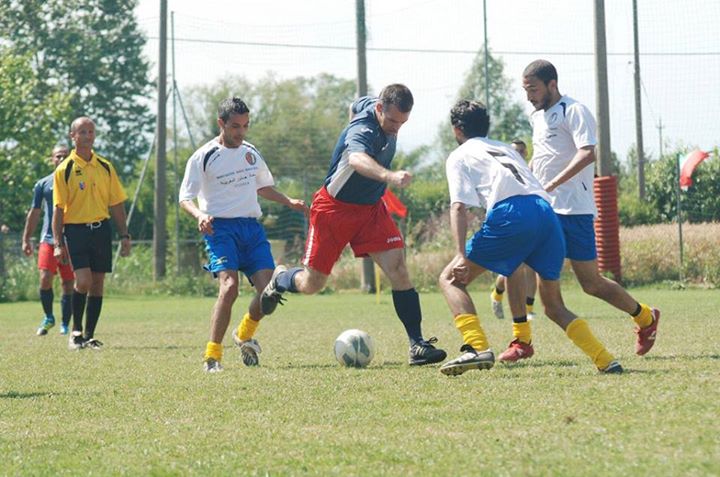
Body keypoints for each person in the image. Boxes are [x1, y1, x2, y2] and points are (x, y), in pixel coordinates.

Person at [260, 84, 447, 366]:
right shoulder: (363, 131)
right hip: (333, 210)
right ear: (380, 109)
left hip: (371, 210)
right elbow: (357, 159)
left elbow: (355, 104)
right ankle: (281, 279)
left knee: (399, 270)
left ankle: (417, 345)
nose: (396, 128)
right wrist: (389, 176)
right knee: (312, 284)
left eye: (403, 122)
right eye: (393, 121)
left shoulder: (371, 103)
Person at [437, 99, 623, 376]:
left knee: (450, 279)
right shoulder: (504, 148)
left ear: (457, 129)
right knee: (554, 306)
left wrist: (460, 254)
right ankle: (605, 359)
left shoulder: (460, 154)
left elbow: (458, 207)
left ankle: (476, 347)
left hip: (513, 213)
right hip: (547, 213)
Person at [522, 59, 659, 357]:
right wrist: (528, 180)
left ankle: (645, 317)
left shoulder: (575, 111)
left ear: (552, 85)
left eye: (532, 89)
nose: (529, 96)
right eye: (525, 90)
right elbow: (542, 156)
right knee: (533, 268)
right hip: (547, 209)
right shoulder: (537, 117)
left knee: (592, 284)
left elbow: (587, 154)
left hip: (575, 211)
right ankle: (521, 340)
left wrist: (552, 184)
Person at [179, 97, 308, 373]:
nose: (241, 132)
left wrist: (289, 201)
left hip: (251, 229)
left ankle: (244, 333)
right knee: (229, 288)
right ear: (221, 124)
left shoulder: (250, 152)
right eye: (236, 126)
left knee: (269, 293)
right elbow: (185, 198)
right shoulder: (203, 157)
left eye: (245, 126)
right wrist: (200, 215)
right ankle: (212, 356)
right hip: (220, 229)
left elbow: (263, 187)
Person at [52, 117, 131, 350]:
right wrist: (58, 243)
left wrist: (124, 235)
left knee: (98, 283)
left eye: (91, 131)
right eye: (82, 132)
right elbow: (58, 209)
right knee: (83, 280)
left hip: (100, 229)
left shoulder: (105, 166)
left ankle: (89, 335)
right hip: (76, 230)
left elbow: (116, 204)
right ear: (72, 136)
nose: (87, 136)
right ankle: (75, 332)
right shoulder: (64, 169)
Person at [22, 145, 75, 336]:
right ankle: (48, 317)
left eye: (65, 156)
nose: (61, 159)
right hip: (49, 239)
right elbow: (35, 212)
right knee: (45, 279)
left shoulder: (76, 181)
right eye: (57, 156)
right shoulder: (43, 184)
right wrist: (26, 238)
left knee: (68, 284)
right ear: (52, 159)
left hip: (71, 239)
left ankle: (65, 323)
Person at [489, 138, 539, 320]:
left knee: (532, 266)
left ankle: (529, 309)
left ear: (525, 153)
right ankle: (497, 294)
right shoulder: (504, 172)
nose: (517, 154)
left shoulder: (531, 170)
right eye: (514, 151)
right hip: (512, 223)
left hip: (531, 222)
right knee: (514, 267)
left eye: (520, 151)